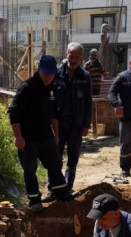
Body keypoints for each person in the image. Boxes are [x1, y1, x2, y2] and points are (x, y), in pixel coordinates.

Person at [8, 55, 74, 213]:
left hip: (46, 137)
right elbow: (13, 113)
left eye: (51, 74)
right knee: (30, 170)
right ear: (39, 70)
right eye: (45, 73)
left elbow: (54, 115)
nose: (48, 77)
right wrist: (18, 137)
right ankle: (34, 200)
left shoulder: (53, 88)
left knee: (55, 165)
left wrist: (56, 135)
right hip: (28, 139)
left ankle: (61, 193)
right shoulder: (27, 88)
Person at [45, 42, 91, 201]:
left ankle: (67, 189)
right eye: (71, 56)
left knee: (72, 158)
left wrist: (86, 125)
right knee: (54, 157)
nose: (74, 59)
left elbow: (88, 102)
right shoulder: (57, 73)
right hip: (58, 123)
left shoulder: (85, 76)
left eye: (77, 57)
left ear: (80, 58)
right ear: (67, 54)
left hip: (76, 124)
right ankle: (53, 189)